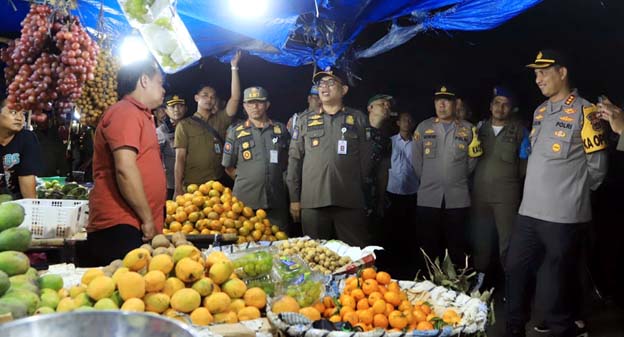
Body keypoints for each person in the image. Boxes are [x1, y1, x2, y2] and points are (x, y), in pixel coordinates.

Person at [505, 50, 607, 337]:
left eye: (543, 72)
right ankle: (514, 328)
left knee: (554, 282)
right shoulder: (540, 111)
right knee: (515, 268)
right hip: (529, 212)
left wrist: (572, 196)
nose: (537, 79)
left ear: (562, 73)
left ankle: (564, 329)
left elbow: (597, 168)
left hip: (563, 216)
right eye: (535, 74)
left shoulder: (586, 112)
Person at [86, 58, 166, 266]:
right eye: (160, 82)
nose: (163, 89)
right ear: (144, 80)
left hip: (134, 224)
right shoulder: (125, 112)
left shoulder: (141, 115)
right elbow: (125, 169)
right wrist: (147, 219)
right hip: (120, 226)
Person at [286, 67, 372, 247]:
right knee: (315, 256)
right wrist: (295, 198)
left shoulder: (357, 119)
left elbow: (366, 160)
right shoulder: (304, 120)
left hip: (349, 199)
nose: (324, 87)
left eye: (331, 83)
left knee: (355, 255)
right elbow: (294, 160)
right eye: (321, 83)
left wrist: (356, 186)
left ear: (344, 90)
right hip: (313, 201)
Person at [411, 85, 481, 265]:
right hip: (428, 197)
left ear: (455, 103)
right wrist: (430, 179)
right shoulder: (423, 127)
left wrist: (453, 178)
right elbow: (416, 161)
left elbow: (471, 163)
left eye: (446, 100)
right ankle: (426, 283)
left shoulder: (468, 129)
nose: (441, 105)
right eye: (438, 101)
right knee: (427, 245)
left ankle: (454, 287)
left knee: (456, 245)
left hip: (457, 198)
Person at [470, 87, 528, 289]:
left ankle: (511, 285)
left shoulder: (520, 131)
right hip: (480, 194)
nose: (500, 108)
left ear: (511, 108)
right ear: (490, 106)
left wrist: (507, 181)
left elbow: (524, 166)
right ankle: (480, 280)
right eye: (496, 103)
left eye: (505, 104)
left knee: (508, 242)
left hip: (507, 195)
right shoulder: (478, 129)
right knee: (481, 239)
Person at [174, 51, 242, 195]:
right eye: (205, 95)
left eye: (212, 97)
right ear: (196, 98)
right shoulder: (184, 125)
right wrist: (177, 187)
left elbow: (235, 98)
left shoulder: (220, 119)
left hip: (217, 187)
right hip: (193, 188)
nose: (209, 99)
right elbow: (180, 158)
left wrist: (234, 68)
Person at [222, 87, 290, 231]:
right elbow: (228, 166)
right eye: (250, 103)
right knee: (246, 245)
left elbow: (288, 162)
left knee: (279, 243)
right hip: (246, 202)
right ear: (245, 106)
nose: (255, 106)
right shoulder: (235, 132)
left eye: (259, 102)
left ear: (267, 105)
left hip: (276, 200)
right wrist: (248, 179)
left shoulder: (280, 129)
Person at [383, 111, 419, 279]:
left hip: (412, 191)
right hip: (393, 191)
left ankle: (408, 267)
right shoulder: (390, 142)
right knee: (392, 229)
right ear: (397, 123)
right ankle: (392, 265)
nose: (407, 122)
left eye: (410, 120)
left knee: (410, 230)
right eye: (404, 120)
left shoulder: (418, 143)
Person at [0, 98, 42, 199]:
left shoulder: (27, 139)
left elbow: (27, 183)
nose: (19, 118)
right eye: (13, 112)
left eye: (23, 113)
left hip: (16, 205)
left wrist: (32, 210)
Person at [157, 95, 187, 200]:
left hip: (190, 182)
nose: (176, 109)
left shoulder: (191, 127)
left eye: (180, 105)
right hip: (170, 185)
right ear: (165, 110)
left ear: (186, 108)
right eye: (172, 106)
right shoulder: (160, 132)